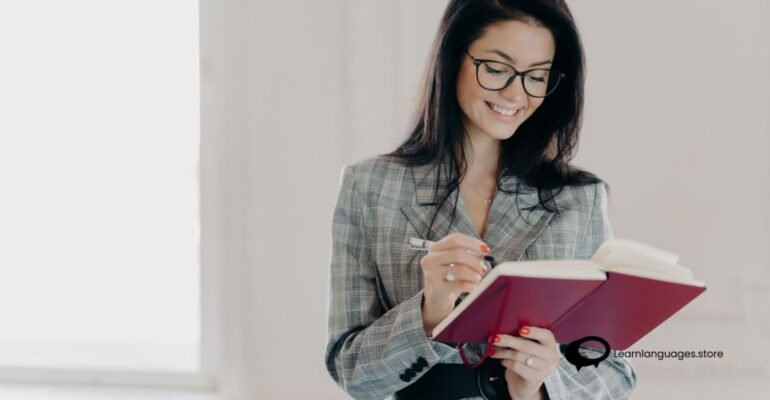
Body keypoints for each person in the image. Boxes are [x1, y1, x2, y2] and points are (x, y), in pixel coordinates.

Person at [325, 0, 637, 399]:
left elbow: (612, 370)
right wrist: (429, 313)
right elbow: (351, 371)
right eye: (495, 68)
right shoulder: (369, 186)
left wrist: (541, 388)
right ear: (453, 58)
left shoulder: (579, 198)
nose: (515, 93)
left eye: (536, 76)